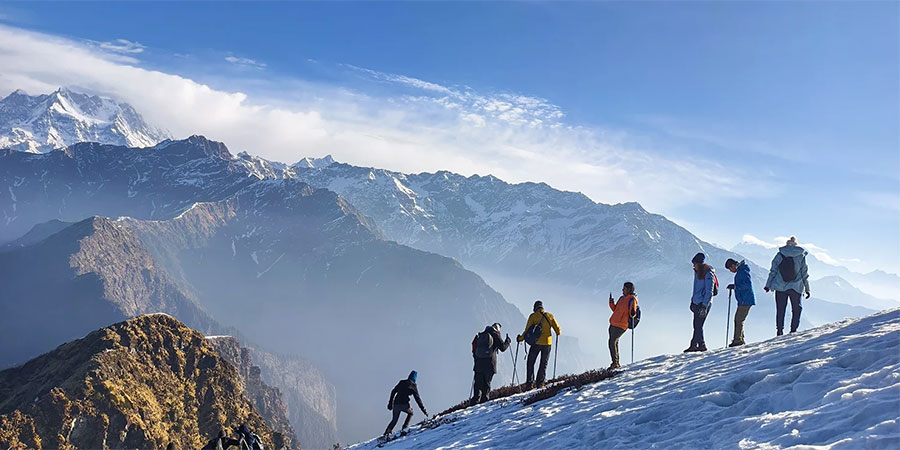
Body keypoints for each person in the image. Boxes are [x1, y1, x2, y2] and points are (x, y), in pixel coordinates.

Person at [764, 236, 811, 335]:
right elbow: (804, 274)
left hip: (780, 286)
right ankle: (793, 330)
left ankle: (779, 330)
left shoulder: (780, 254)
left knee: (780, 309)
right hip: (796, 287)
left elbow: (773, 271)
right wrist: (807, 289)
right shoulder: (801, 255)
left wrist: (768, 285)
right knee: (796, 309)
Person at [516, 300, 561, 389]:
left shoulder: (533, 316)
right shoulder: (550, 316)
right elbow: (558, 330)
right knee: (543, 364)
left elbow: (527, 331)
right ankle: (540, 384)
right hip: (547, 344)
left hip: (536, 344)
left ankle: (530, 384)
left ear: (535, 308)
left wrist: (520, 339)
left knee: (530, 362)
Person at [471, 323, 511, 404]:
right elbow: (502, 347)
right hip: (490, 364)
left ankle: (474, 402)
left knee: (478, 384)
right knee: (486, 384)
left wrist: (476, 359)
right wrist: (508, 341)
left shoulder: (479, 335)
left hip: (478, 363)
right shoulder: (495, 335)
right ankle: (484, 402)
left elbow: (474, 348)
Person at [384, 370, 428, 436]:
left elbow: (393, 391)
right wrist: (423, 410)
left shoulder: (401, 382)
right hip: (404, 405)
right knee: (411, 413)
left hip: (396, 404)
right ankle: (404, 428)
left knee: (394, 420)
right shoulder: (413, 385)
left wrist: (390, 403)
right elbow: (417, 399)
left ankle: (387, 432)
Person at [686, 252, 715, 352]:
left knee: (698, 325)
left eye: (694, 264)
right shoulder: (698, 272)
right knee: (696, 325)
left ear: (699, 263)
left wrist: (704, 305)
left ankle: (701, 345)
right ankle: (694, 345)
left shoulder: (707, 274)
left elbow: (709, 291)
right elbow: (696, 289)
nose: (693, 266)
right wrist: (693, 301)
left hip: (703, 303)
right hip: (697, 302)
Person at [607, 282, 639, 369]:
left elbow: (633, 314)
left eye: (624, 289)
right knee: (613, 342)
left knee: (612, 342)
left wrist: (633, 312)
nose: (622, 290)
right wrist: (611, 303)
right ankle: (616, 363)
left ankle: (615, 363)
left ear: (629, 290)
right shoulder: (622, 298)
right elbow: (615, 309)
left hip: (621, 325)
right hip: (613, 323)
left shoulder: (632, 300)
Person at [725, 258, 755, 347]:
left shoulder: (742, 272)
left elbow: (747, 285)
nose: (731, 271)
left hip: (745, 300)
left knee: (738, 319)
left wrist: (735, 287)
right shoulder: (742, 270)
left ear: (733, 265)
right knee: (739, 319)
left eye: (730, 269)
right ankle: (739, 339)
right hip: (745, 299)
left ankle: (737, 340)